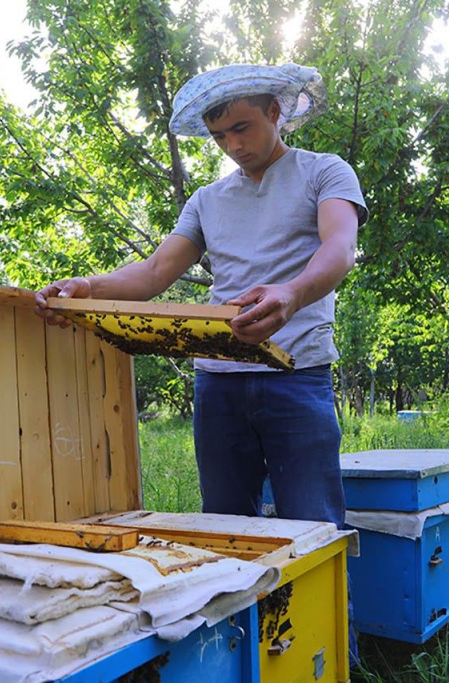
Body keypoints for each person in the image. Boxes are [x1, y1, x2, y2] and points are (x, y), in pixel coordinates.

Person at [35, 63, 368, 530]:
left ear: (274, 112)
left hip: (297, 373)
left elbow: (340, 247)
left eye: (241, 128)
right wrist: (87, 287)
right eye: (218, 136)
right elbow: (154, 273)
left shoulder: (325, 171)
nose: (233, 145)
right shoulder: (206, 200)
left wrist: (291, 294)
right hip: (219, 383)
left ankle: (331, 606)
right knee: (226, 528)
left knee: (314, 526)